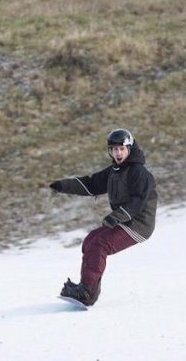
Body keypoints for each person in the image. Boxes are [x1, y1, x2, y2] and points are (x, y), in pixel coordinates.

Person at [48, 128, 157, 306]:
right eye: (114, 149)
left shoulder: (139, 173)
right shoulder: (114, 171)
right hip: (125, 221)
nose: (118, 153)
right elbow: (91, 184)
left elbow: (138, 202)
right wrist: (62, 186)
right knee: (90, 241)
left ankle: (86, 292)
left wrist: (116, 217)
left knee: (100, 245)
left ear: (129, 149)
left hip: (139, 224)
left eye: (121, 149)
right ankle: (87, 290)